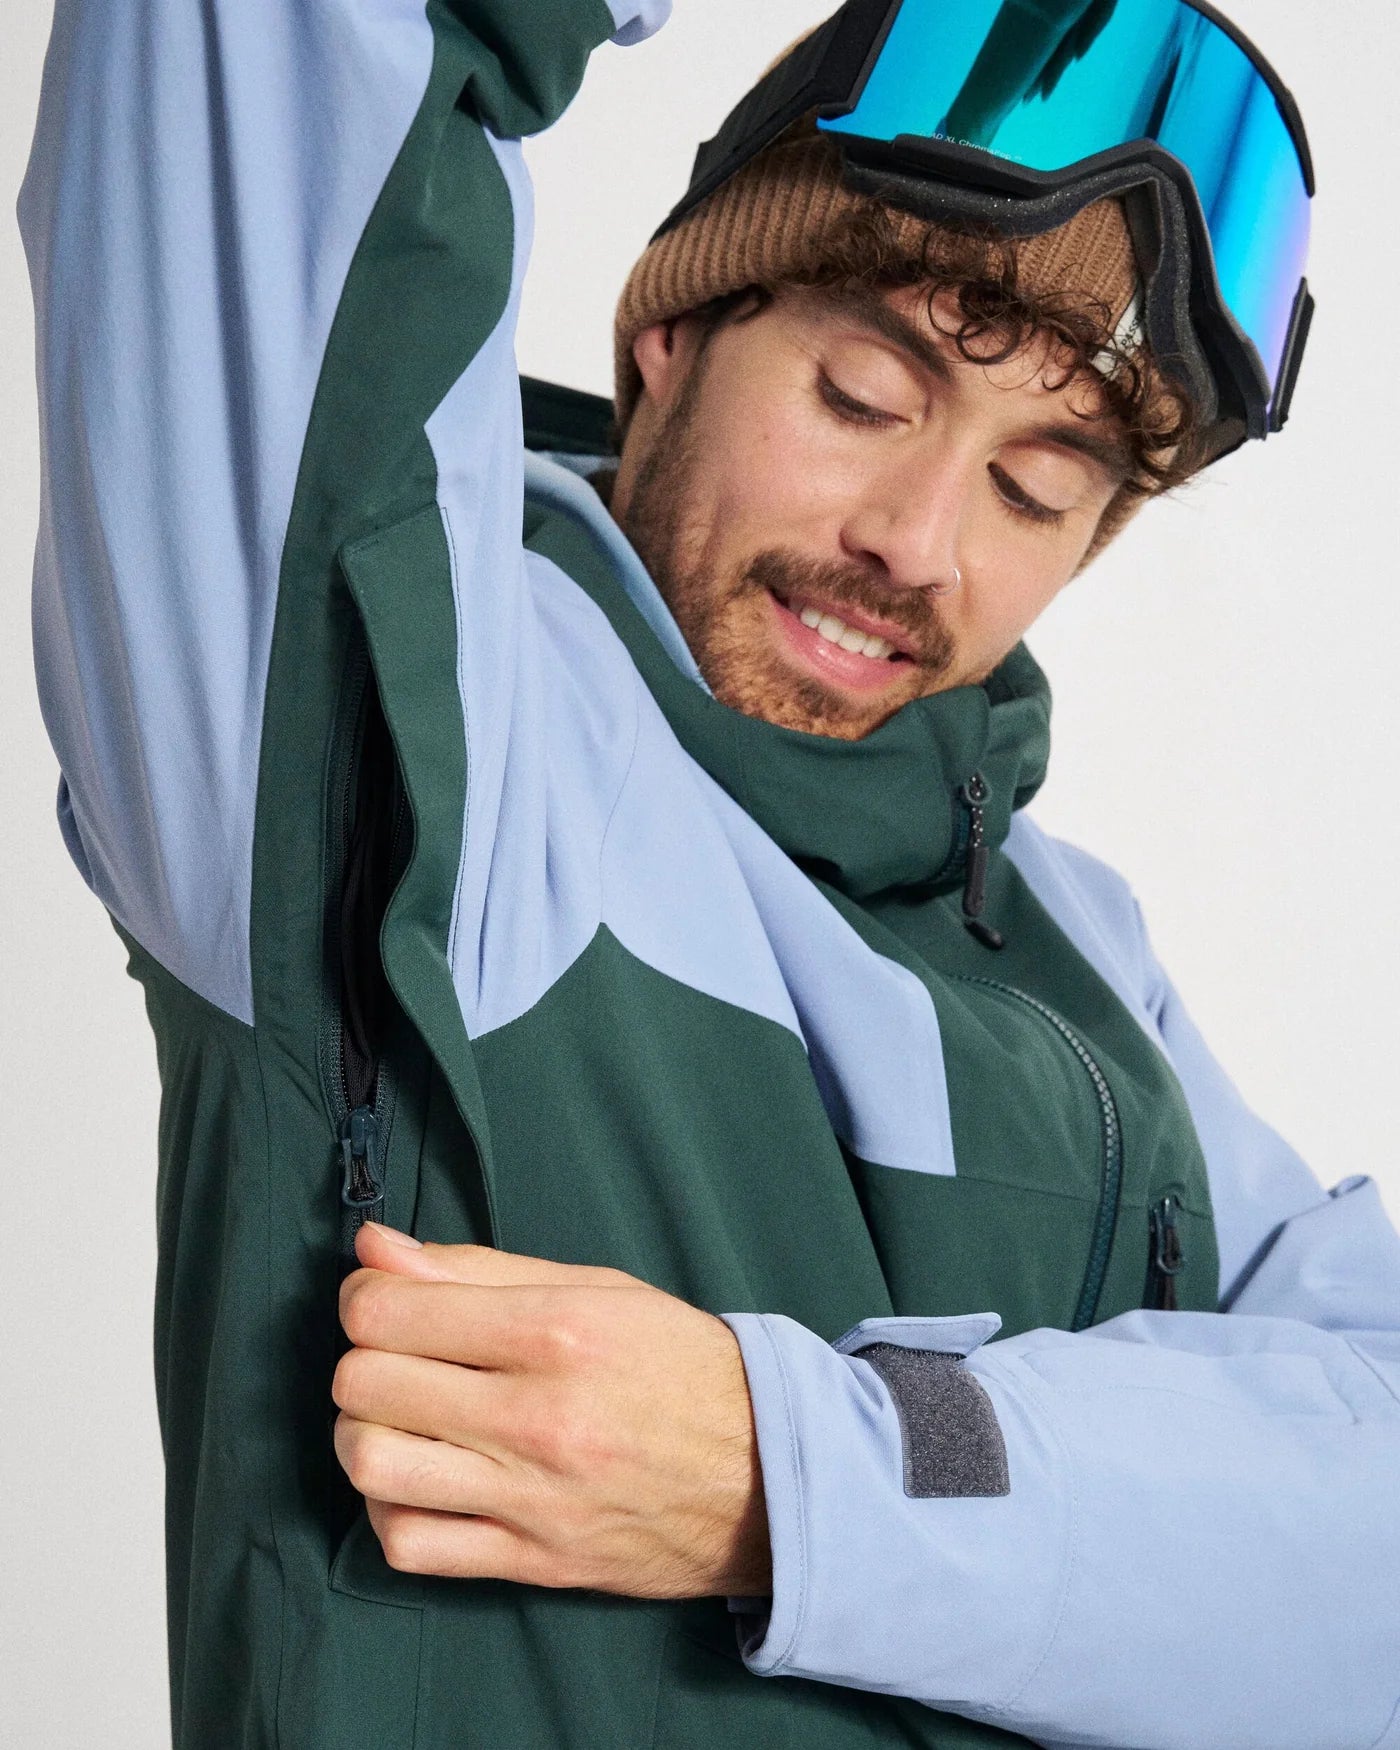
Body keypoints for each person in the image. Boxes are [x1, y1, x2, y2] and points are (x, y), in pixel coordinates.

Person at [19, 2, 1398, 1747]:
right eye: (862, 397)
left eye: (1037, 490)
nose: (918, 542)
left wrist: (792, 1471)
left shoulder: (1074, 943)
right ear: (670, 333)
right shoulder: (407, 733)